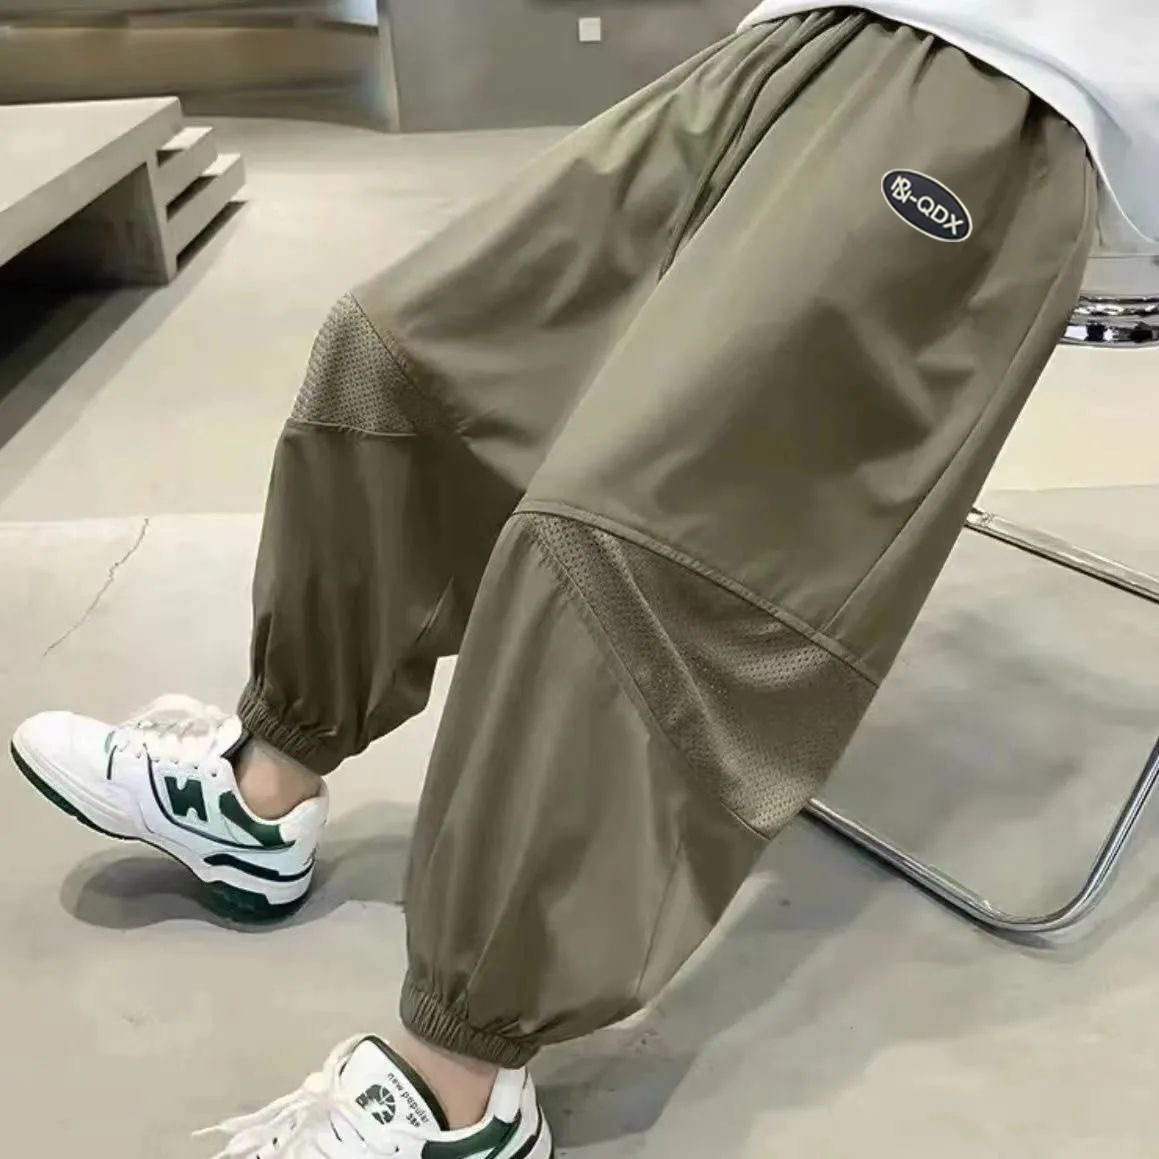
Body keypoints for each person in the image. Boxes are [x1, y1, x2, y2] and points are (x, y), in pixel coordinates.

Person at [10, 3, 1157, 1155]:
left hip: (1018, 88)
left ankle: (458, 1089)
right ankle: (264, 789)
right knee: (396, 352)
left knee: (624, 540)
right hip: (807, 35)